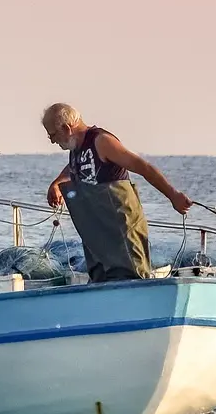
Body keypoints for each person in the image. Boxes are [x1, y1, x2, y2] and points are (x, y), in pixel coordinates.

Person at [42, 103, 191, 282]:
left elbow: (143, 167)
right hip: (97, 233)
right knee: (100, 277)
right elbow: (75, 167)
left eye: (53, 135)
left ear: (67, 128)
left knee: (130, 275)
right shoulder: (76, 150)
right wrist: (57, 183)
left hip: (121, 229)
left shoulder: (102, 141)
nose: (52, 141)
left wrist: (173, 196)